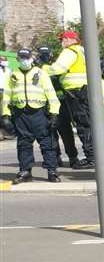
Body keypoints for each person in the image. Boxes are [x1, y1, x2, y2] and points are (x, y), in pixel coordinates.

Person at [3, 48, 61, 182]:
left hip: (39, 113)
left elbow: (51, 94)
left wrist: (54, 113)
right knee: (23, 144)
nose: (24, 61)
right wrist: (5, 114)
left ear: (31, 58)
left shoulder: (40, 73)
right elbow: (7, 95)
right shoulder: (13, 74)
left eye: (26, 58)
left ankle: (52, 171)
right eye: (21, 58)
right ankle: (25, 171)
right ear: (17, 59)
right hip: (20, 113)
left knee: (47, 143)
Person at [46, 29, 96, 169]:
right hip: (84, 90)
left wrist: (44, 69)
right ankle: (93, 155)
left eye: (63, 39)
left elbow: (58, 68)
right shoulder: (82, 51)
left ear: (69, 39)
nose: (62, 42)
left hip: (75, 91)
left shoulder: (70, 51)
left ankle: (91, 157)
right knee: (87, 123)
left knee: (83, 125)